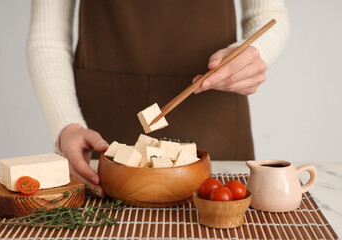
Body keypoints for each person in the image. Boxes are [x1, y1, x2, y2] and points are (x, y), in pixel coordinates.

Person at [27, 0, 289, 196]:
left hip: (212, 115)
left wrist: (256, 54)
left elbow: (268, 16)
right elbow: (48, 36)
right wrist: (66, 126)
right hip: (101, 124)